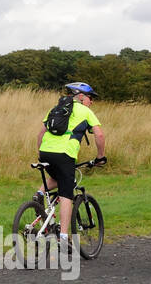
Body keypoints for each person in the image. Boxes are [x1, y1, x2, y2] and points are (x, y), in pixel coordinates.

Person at [35, 82, 107, 255]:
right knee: (66, 192)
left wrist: (40, 155)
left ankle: (38, 194)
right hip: (64, 154)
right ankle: (64, 238)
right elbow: (99, 134)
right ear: (80, 96)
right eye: (90, 97)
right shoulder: (85, 111)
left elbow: (40, 134)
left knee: (57, 179)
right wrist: (100, 157)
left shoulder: (56, 108)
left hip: (45, 153)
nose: (91, 101)